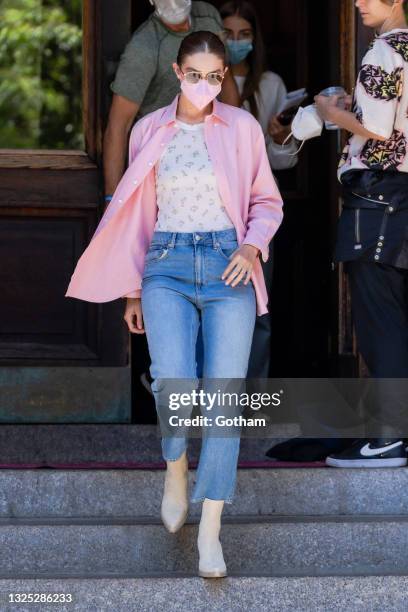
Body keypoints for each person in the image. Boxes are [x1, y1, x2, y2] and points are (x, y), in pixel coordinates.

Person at [65, 31, 283, 576]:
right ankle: (174, 466)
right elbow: (136, 214)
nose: (207, 84)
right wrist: (132, 290)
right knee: (173, 380)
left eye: (217, 76)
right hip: (165, 265)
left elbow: (266, 200)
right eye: (197, 74)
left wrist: (253, 244)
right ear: (178, 72)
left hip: (228, 264)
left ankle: (211, 528)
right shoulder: (149, 130)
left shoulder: (243, 127)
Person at [314, 0, 408, 467]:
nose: (358, 3)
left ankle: (390, 436)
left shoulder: (384, 52)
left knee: (381, 319)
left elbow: (374, 128)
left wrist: (329, 111)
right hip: (403, 198)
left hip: (378, 201)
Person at [215, 0, 298, 379]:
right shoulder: (204, 82)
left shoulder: (270, 84)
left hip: (260, 205)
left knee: (258, 303)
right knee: (213, 300)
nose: (235, 42)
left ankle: (253, 399)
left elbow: (284, 163)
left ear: (255, 39)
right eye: (227, 35)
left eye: (243, 35)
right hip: (212, 204)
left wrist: (280, 139)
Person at [104, 0, 240, 206]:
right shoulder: (144, 48)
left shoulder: (208, 16)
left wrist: (235, 141)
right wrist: (111, 200)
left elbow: (226, 81)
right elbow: (118, 126)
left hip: (211, 151)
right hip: (163, 162)